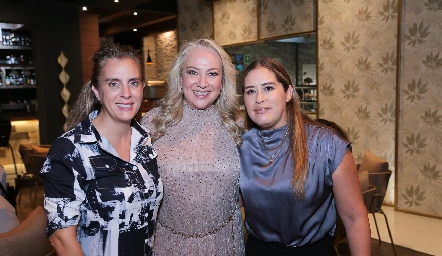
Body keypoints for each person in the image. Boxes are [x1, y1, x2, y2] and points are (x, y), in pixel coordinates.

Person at [40, 43, 163, 256]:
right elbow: (60, 237)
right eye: (114, 84)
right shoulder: (70, 149)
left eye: (133, 83)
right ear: (96, 90)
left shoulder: (146, 142)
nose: (126, 93)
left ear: (142, 87)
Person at [239, 58, 371, 255]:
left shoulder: (327, 144)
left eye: (268, 88)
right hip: (258, 250)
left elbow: (355, 219)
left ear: (288, 93)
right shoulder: (241, 145)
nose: (259, 98)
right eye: (250, 91)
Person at [140, 38, 244, 255]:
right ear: (179, 78)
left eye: (212, 73)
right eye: (193, 72)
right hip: (168, 245)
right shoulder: (153, 124)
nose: (202, 83)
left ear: (223, 81)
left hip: (224, 244)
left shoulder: (237, 125)